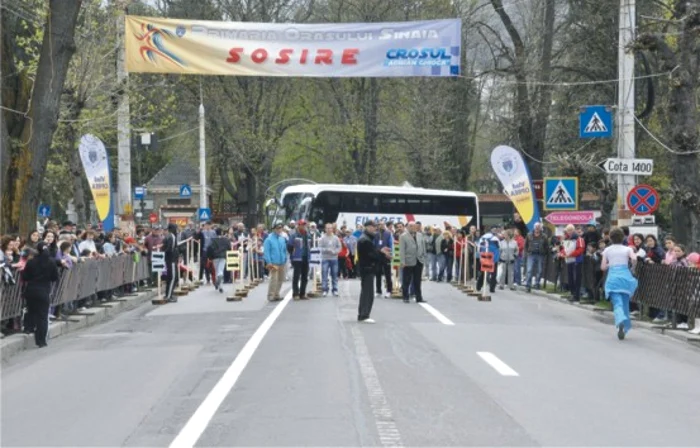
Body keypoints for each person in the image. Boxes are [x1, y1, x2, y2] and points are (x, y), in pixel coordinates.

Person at [601, 227, 638, 340]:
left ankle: (620, 319)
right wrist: (632, 268)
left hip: (613, 277)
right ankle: (625, 325)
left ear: (611, 238)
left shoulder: (607, 250)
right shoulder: (627, 249)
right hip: (625, 276)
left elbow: (602, 267)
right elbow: (634, 258)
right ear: (623, 237)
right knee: (625, 302)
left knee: (617, 302)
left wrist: (609, 265)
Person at [21, 242, 59, 348]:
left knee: (31, 310)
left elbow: (25, 276)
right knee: (42, 316)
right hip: (44, 290)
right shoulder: (51, 262)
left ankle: (29, 328)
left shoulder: (31, 262)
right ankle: (41, 340)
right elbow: (55, 277)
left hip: (31, 290)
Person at [357, 220, 391, 323]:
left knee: (366, 292)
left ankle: (362, 314)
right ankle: (364, 315)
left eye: (375, 226)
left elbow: (373, 252)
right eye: (372, 226)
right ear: (367, 227)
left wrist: (381, 252)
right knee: (368, 293)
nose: (375, 228)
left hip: (366, 268)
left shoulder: (366, 238)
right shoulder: (365, 240)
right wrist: (383, 254)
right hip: (367, 268)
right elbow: (372, 255)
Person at [399, 222, 426, 303]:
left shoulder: (420, 235)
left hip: (419, 260)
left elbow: (423, 246)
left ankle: (419, 297)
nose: (412, 227)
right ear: (407, 227)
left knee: (417, 281)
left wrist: (424, 257)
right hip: (408, 261)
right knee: (406, 280)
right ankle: (405, 297)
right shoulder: (403, 236)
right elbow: (402, 250)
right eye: (410, 226)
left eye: (414, 226)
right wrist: (402, 261)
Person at [264, 222, 288, 301]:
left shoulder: (282, 239)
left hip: (282, 262)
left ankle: (276, 294)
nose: (279, 230)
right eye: (277, 228)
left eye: (280, 228)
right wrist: (269, 262)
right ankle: (271, 295)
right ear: (274, 229)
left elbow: (284, 250)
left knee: (280, 279)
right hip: (274, 262)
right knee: (274, 279)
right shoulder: (269, 239)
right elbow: (266, 252)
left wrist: (285, 258)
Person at [288, 219, 311, 300]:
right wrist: (293, 255)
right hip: (297, 258)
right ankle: (295, 293)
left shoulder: (308, 235)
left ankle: (302, 293)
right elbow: (289, 246)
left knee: (305, 276)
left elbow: (310, 246)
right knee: (296, 276)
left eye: (305, 225)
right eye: (302, 224)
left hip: (306, 258)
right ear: (298, 225)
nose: (304, 226)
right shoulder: (294, 235)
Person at [319, 223, 341, 297]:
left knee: (334, 274)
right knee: (324, 274)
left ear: (332, 229)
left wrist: (335, 251)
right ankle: (325, 290)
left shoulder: (336, 238)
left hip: (334, 258)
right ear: (325, 229)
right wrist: (326, 250)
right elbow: (320, 248)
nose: (329, 230)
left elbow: (339, 247)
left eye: (330, 228)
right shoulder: (322, 238)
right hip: (325, 258)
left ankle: (335, 289)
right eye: (327, 228)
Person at [207, 228, 231, 293]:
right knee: (221, 269)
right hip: (223, 256)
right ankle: (220, 285)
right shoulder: (226, 240)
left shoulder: (212, 240)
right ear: (222, 233)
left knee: (217, 269)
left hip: (215, 257)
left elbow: (209, 248)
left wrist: (209, 257)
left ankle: (218, 283)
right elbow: (229, 247)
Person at [163, 224, 179, 303]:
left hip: (170, 260)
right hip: (171, 260)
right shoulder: (171, 236)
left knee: (172, 278)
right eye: (176, 228)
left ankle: (168, 294)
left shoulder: (168, 236)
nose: (177, 230)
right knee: (172, 278)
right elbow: (170, 249)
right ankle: (168, 296)